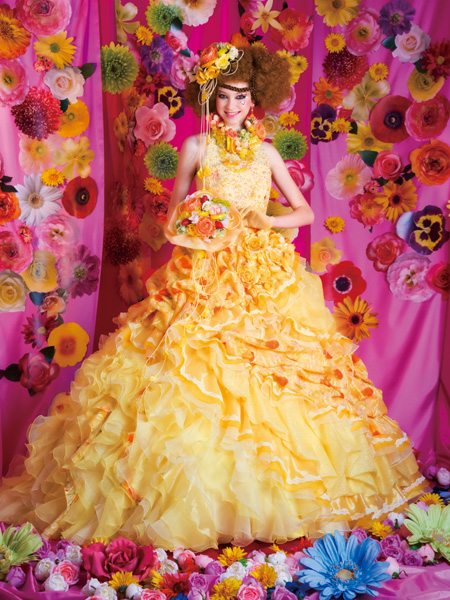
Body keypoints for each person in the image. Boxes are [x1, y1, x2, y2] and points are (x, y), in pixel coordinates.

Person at [0, 43, 425, 552]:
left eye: (241, 96)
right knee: (191, 372)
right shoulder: (197, 148)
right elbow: (172, 219)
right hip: (202, 270)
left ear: (254, 98)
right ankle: (194, 504)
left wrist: (265, 219)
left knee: (274, 377)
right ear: (210, 97)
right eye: (224, 95)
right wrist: (199, 223)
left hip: (263, 273)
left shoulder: (267, 153)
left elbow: (305, 213)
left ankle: (270, 499)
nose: (233, 105)